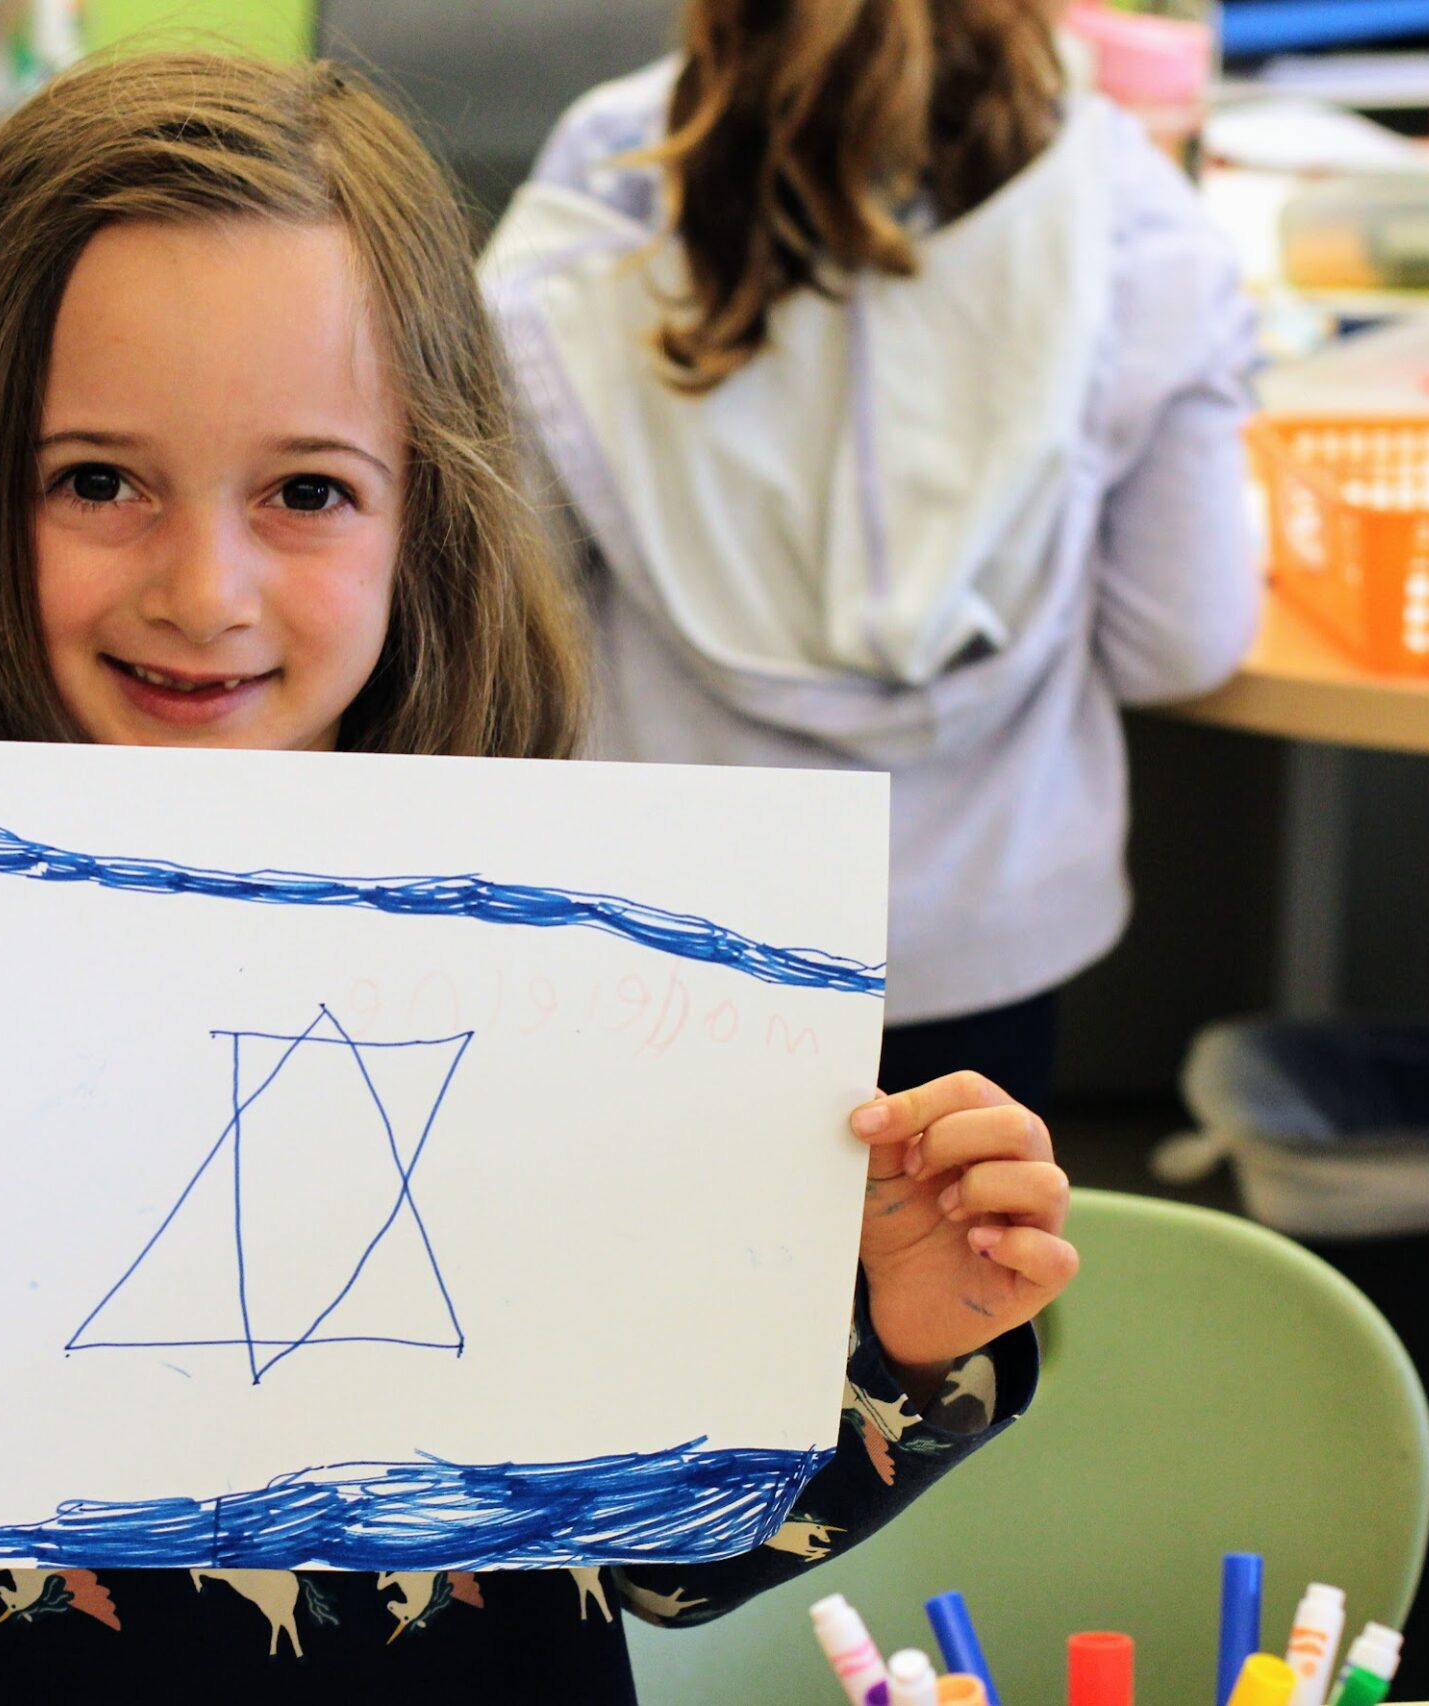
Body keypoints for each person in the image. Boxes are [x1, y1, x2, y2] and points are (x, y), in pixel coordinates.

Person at [0, 51, 1075, 1706]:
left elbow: (676, 1562)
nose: (205, 590)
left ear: (431, 513)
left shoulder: (569, 970)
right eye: (96, 480)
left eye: (307, 492)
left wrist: (907, 1339)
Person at [481, 0, 1260, 1110]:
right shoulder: (1126, 207)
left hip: (663, 927)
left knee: (671, 1272)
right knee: (966, 1265)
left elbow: (514, 602)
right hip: (978, 925)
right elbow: (1177, 643)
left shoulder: (610, 169)